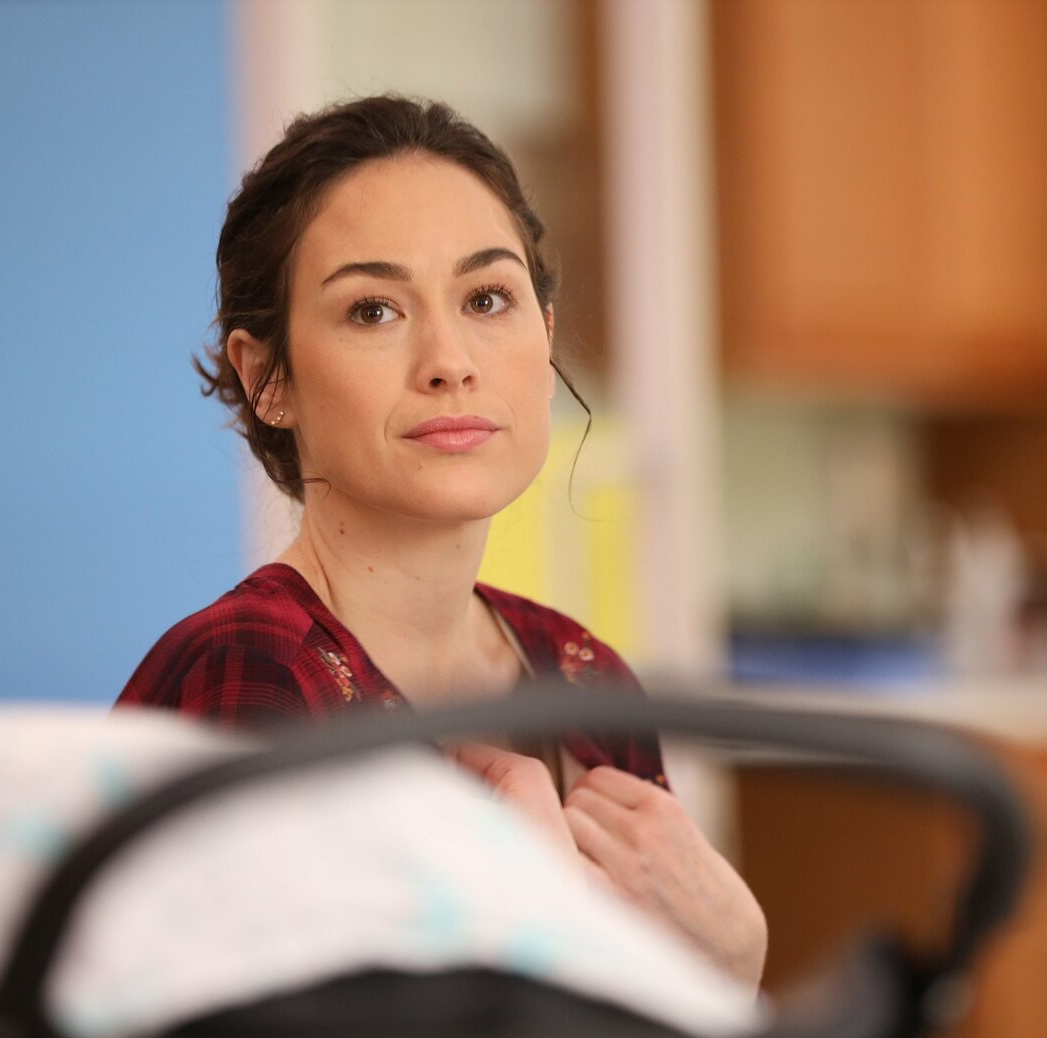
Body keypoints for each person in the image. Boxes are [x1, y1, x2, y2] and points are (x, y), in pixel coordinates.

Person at [115, 95, 767, 986]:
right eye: (373, 311)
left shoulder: (587, 680)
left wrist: (732, 964)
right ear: (268, 379)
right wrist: (568, 924)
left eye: (487, 298)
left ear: (544, 336)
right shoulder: (252, 674)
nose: (449, 361)